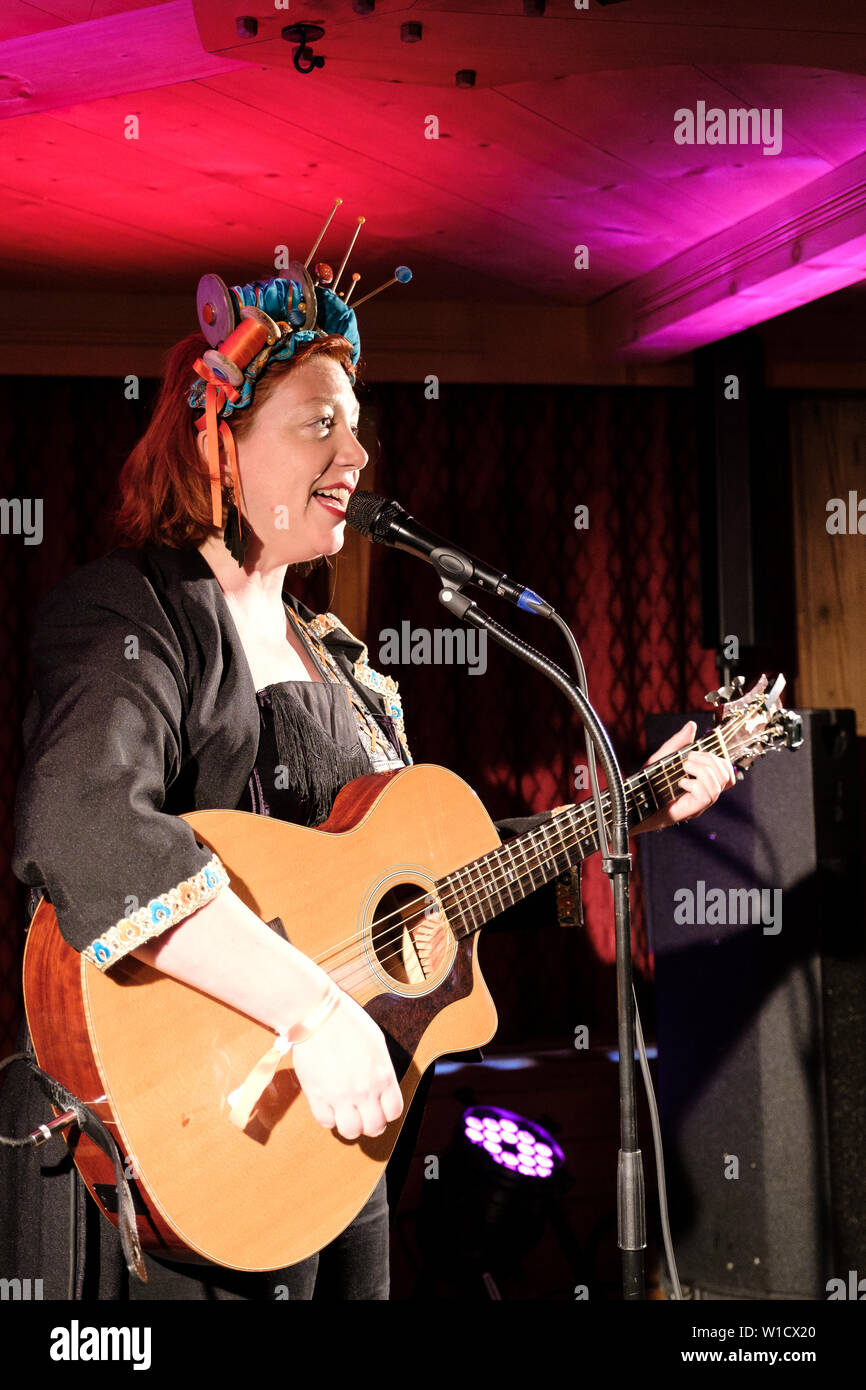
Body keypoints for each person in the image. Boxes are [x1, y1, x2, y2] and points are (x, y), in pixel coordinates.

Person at [2, 239, 735, 1301]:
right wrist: (309, 1010)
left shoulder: (343, 663)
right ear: (219, 444)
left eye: (356, 424)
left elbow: (440, 887)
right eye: (317, 423)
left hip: (341, 1151)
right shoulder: (131, 613)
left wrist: (630, 807)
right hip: (185, 1157)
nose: (354, 453)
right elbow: (81, 828)